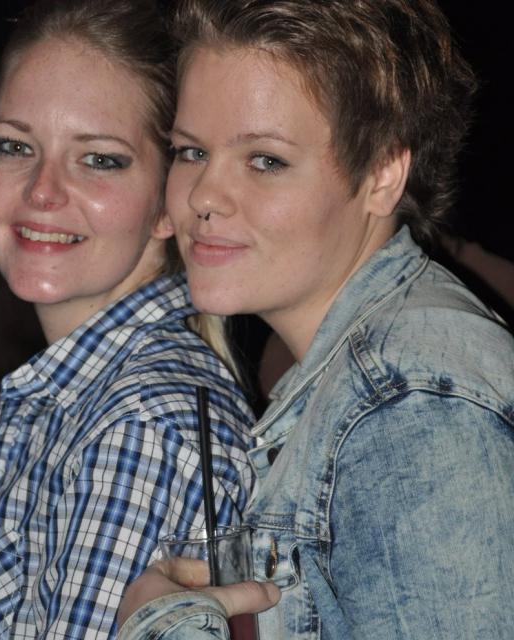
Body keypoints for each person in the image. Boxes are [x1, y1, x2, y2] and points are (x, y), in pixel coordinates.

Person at [117, 0, 514, 638]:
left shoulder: (407, 405)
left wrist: (162, 627)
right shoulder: (358, 378)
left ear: (383, 174)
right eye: (190, 152)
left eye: (265, 160)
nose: (203, 196)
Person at [0, 1, 255, 638]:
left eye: (100, 158)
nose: (42, 190)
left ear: (170, 205)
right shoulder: (76, 397)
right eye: (15, 145)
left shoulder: (140, 425)